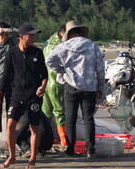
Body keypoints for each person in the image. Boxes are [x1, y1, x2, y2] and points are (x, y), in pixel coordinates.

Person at [45, 20, 105, 158]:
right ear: (80, 31)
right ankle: (90, 150)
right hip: (89, 87)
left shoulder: (63, 46)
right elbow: (100, 69)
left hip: (70, 85)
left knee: (70, 118)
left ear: (68, 33)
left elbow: (49, 60)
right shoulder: (92, 45)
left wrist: (62, 72)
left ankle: (70, 149)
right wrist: (101, 86)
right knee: (88, 119)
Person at [0, 23, 47, 169]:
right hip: (17, 95)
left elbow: (44, 74)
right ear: (22, 36)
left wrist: (42, 87)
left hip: (34, 96)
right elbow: (5, 77)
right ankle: (12, 157)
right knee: (10, 124)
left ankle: (32, 158)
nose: (34, 37)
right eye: (31, 35)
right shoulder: (12, 53)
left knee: (34, 127)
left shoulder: (37, 52)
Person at [41, 25, 69, 150]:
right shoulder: (62, 46)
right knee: (60, 110)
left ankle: (46, 138)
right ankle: (63, 139)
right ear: (62, 33)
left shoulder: (46, 43)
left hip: (45, 82)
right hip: (56, 81)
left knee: (46, 111)